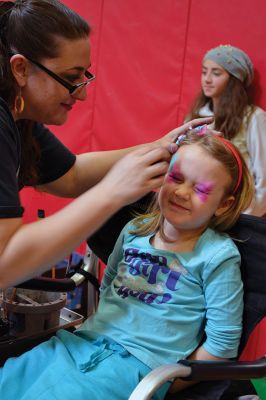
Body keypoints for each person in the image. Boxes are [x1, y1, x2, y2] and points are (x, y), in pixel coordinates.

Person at [0, 127, 254, 399]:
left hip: (135, 368)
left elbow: (222, 345)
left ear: (224, 205)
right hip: (80, 343)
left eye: (200, 189)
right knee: (10, 377)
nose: (181, 192)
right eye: (176, 178)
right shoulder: (135, 231)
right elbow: (108, 286)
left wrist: (162, 382)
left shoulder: (217, 255)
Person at [0, 0, 212, 289]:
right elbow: (4, 264)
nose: (82, 95)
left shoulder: (18, 116)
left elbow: (71, 175)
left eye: (84, 75)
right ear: (21, 69)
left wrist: (157, 146)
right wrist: (113, 193)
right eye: (71, 78)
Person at [186, 44, 266, 216]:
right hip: (196, 207)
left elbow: (263, 174)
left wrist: (249, 216)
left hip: (236, 211)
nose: (207, 79)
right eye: (204, 71)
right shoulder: (197, 115)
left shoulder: (252, 117)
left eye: (216, 73)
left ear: (234, 79)